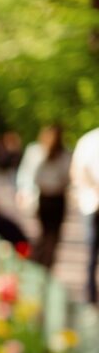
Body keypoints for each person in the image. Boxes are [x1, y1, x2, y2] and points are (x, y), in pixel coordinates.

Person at [17, 125, 72, 270]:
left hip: (47, 197)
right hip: (53, 198)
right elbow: (67, 177)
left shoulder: (39, 152)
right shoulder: (42, 152)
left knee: (46, 234)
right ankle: (43, 264)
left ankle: (40, 264)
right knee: (50, 236)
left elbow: (26, 174)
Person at [71, 126, 99, 304]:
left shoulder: (88, 140)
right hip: (92, 202)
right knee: (91, 249)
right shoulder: (90, 140)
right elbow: (77, 172)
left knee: (92, 250)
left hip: (91, 201)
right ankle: (90, 293)